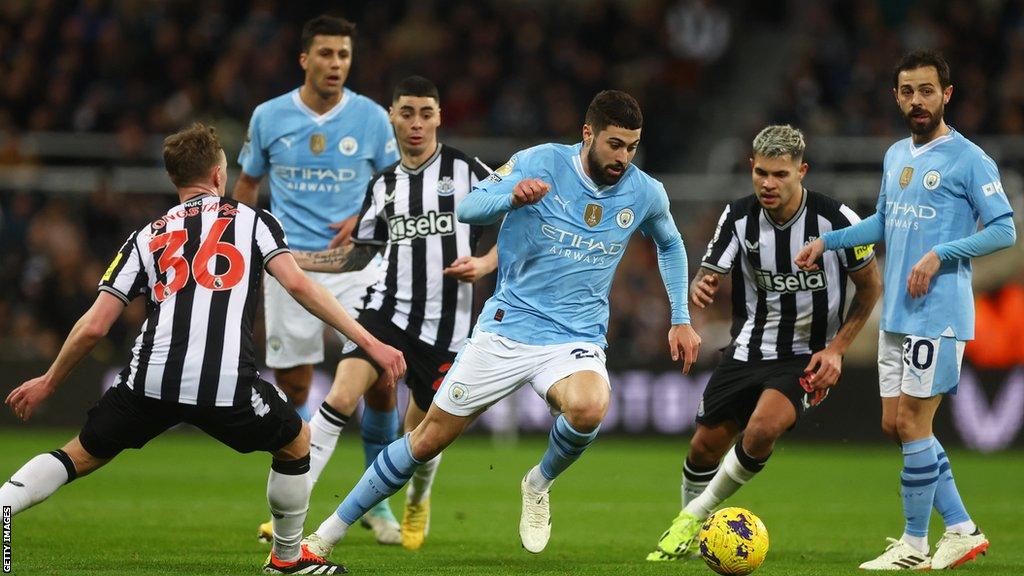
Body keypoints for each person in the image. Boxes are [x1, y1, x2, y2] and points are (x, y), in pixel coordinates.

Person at [297, 89, 702, 562]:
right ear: (588, 133)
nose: (623, 157)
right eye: (615, 144)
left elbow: (670, 244)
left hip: (575, 338)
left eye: (632, 146)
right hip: (507, 328)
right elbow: (469, 208)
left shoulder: (644, 190)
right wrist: (511, 196)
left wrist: (681, 318)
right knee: (426, 440)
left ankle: (538, 483)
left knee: (591, 407)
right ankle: (325, 534)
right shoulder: (540, 162)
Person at [0, 123, 405, 574]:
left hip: (149, 380)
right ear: (217, 174)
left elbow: (94, 326)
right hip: (225, 383)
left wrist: (49, 380)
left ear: (175, 179)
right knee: (296, 444)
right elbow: (298, 286)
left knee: (78, 455)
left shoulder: (146, 235)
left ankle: (2, 508)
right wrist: (370, 341)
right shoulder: (254, 221)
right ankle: (287, 561)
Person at [797, 51, 1016, 570]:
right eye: (907, 91)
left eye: (926, 90)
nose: (917, 100)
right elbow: (883, 223)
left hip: (937, 314)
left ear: (947, 94)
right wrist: (828, 242)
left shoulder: (970, 159)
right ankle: (961, 528)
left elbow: (1004, 228)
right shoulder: (897, 154)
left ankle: (915, 546)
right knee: (895, 423)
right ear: (897, 97)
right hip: (896, 314)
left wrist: (943, 253)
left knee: (915, 423)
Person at [264, 75, 497, 551]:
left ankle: (418, 497)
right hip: (386, 313)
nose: (416, 123)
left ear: (439, 117)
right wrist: (284, 257)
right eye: (406, 113)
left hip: (448, 331)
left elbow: (522, 219)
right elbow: (358, 254)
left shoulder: (467, 170)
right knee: (342, 396)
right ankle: (298, 503)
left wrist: (486, 262)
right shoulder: (383, 184)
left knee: (423, 437)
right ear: (391, 116)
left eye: (425, 113)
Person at [646, 124, 882, 561]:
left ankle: (695, 515)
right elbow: (710, 269)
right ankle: (689, 542)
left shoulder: (836, 220)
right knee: (703, 447)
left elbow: (870, 290)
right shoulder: (738, 216)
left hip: (806, 357)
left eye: (780, 175)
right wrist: (702, 284)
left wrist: (836, 349)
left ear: (802, 172)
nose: (768, 184)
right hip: (748, 348)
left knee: (763, 428)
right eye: (760, 174)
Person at [233, 15, 404, 543]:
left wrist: (368, 215)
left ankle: (378, 505)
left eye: (344, 55)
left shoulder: (373, 119)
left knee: (379, 379)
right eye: (326, 54)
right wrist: (243, 251)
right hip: (290, 268)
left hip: (359, 267)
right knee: (298, 385)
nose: (335, 64)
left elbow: (399, 183)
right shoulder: (269, 117)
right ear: (304, 59)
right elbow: (247, 184)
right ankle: (298, 502)